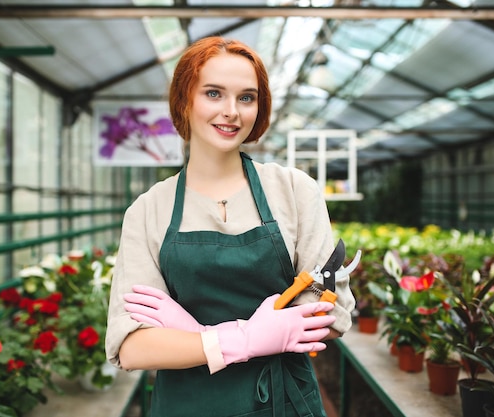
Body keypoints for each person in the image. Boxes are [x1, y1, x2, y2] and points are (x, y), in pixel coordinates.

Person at [105, 36, 356, 417]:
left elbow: (328, 319)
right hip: (187, 406)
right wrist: (246, 338)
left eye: (246, 98)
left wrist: (193, 336)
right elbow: (134, 347)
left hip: (283, 402)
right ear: (184, 101)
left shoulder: (293, 191)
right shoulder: (148, 210)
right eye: (213, 93)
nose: (231, 112)